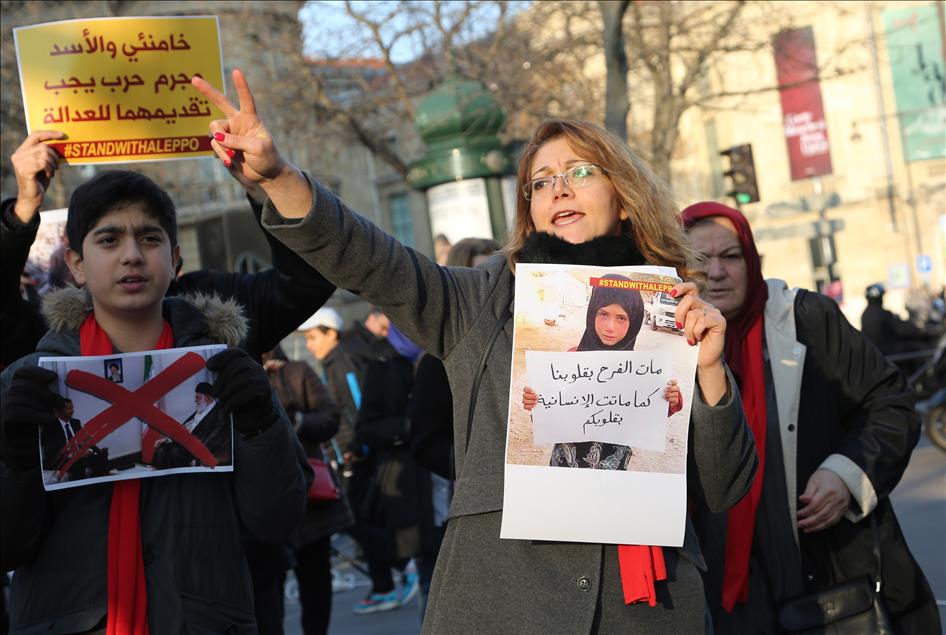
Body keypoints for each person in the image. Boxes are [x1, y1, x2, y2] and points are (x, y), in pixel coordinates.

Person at [192, 69, 757, 632]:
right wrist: (279, 177)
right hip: (503, 601)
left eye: (581, 172)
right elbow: (368, 258)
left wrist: (708, 371)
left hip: (643, 611)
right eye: (540, 182)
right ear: (530, 209)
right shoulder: (479, 303)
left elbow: (722, 485)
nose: (559, 188)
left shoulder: (671, 312)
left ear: (625, 198)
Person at [1, 131, 337, 634]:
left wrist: (260, 425)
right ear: (76, 265)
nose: (131, 255)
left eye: (150, 238)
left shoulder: (224, 369)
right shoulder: (30, 380)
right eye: (109, 240)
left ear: (175, 260)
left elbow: (279, 520)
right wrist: (14, 457)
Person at [682, 201, 939, 634]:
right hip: (718, 597)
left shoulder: (807, 320)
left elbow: (890, 403)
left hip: (823, 581)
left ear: (752, 259)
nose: (716, 273)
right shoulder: (659, 345)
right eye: (698, 260)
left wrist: (847, 475)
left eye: (731, 256)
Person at [522, 273, 683, 470]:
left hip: (612, 470)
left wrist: (670, 398)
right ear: (591, 314)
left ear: (635, 321)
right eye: (603, 314)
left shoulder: (641, 371)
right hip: (564, 465)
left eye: (621, 318)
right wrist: (536, 403)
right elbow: (547, 415)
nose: (610, 327)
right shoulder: (570, 359)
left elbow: (651, 412)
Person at [262, 345, 352, 635]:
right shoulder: (234, 372)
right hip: (264, 505)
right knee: (267, 593)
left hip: (309, 496)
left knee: (315, 585)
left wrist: (299, 421)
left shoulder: (296, 372)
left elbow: (329, 418)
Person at [151, 382, 231, 468]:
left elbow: (216, 437)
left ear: (208, 398)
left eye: (198, 397)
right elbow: (184, 429)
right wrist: (168, 439)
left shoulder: (219, 412)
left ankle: (175, 480)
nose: (195, 400)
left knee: (174, 452)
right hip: (186, 444)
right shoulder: (200, 410)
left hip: (198, 447)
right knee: (161, 449)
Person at [861, 283, 931, 358]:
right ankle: (929, 369)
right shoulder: (883, 314)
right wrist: (920, 331)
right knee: (920, 348)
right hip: (890, 352)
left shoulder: (865, 314)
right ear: (880, 298)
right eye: (882, 296)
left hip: (878, 352)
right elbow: (901, 329)